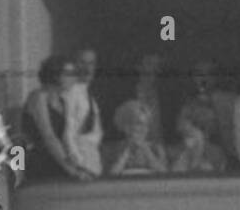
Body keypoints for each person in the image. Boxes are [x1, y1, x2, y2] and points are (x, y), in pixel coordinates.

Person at [21, 55, 91, 182]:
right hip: (39, 159)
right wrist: (69, 169)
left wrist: (74, 163)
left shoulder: (63, 102)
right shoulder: (38, 97)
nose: (74, 79)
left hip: (57, 157)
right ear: (55, 75)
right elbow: (48, 136)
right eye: (68, 74)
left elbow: (65, 137)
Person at [63, 47, 104, 179]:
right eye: (82, 62)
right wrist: (78, 164)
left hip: (93, 159)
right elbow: (68, 131)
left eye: (91, 63)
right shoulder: (70, 93)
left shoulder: (88, 94)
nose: (87, 68)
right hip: (80, 162)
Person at [109, 100, 167, 176]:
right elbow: (110, 176)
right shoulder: (115, 149)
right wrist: (127, 151)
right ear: (127, 126)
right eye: (139, 124)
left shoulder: (156, 148)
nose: (144, 129)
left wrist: (145, 149)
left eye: (147, 125)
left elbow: (165, 175)